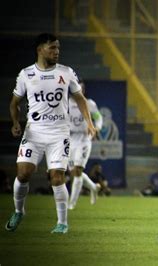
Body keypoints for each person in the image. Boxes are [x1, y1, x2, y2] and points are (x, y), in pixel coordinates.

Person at [5, 33, 96, 234]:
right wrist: (14, 123)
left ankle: (62, 223)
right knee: (23, 173)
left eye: (58, 48)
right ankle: (19, 211)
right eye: (52, 48)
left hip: (59, 133)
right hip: (34, 132)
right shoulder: (26, 74)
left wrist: (89, 123)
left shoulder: (66, 72)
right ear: (40, 49)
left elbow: (80, 99)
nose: (56, 52)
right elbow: (14, 103)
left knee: (57, 177)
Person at [68, 78, 103, 209]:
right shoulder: (65, 104)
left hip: (84, 139)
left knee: (77, 170)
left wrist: (96, 128)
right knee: (73, 173)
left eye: (81, 88)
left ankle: (71, 204)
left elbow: (99, 118)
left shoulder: (90, 104)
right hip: (70, 140)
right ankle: (94, 187)